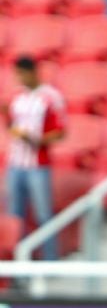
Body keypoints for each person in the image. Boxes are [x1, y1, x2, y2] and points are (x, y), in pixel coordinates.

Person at [3, 56, 65, 261]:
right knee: (15, 217)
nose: (20, 78)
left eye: (22, 73)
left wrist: (35, 139)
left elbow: (60, 132)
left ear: (32, 72)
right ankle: (19, 264)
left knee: (43, 214)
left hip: (38, 164)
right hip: (15, 164)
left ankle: (50, 261)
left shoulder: (50, 97)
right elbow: (12, 126)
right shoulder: (18, 97)